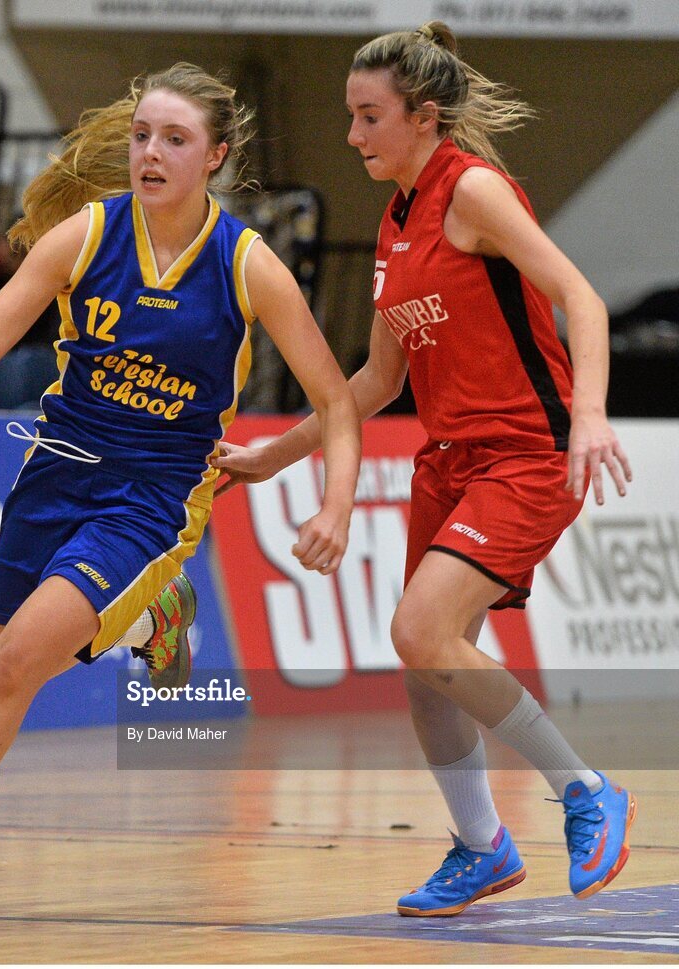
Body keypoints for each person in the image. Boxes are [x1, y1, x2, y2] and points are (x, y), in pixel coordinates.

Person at [0, 62, 362, 931]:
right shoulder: (86, 235)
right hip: (53, 476)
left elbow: (336, 401)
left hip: (153, 496)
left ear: (215, 157)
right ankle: (151, 618)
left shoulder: (247, 264)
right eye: (143, 136)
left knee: (12, 668)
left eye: (175, 140)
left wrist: (335, 504)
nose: (150, 153)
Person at [214, 22, 635, 917]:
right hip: (449, 461)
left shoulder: (472, 190)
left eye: (370, 117)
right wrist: (269, 458)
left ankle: (587, 790)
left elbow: (582, 297)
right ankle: (482, 846)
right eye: (351, 116)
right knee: (425, 664)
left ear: (424, 117)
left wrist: (592, 414)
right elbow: (376, 380)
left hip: (525, 453)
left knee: (419, 630)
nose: (353, 135)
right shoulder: (396, 221)